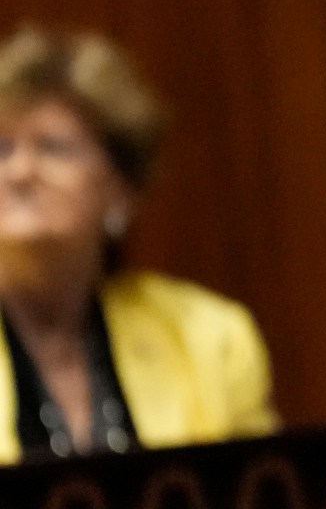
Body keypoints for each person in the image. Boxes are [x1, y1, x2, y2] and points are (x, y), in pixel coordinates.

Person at [0, 25, 278, 462]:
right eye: (2, 149)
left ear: (120, 186)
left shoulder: (209, 338)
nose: (20, 172)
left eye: (54, 148)